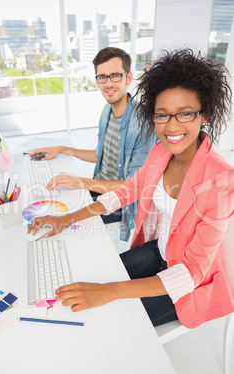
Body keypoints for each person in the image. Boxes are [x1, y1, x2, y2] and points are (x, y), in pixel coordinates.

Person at [28, 49, 234, 328]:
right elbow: (126, 192)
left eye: (185, 114)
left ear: (205, 115)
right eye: (162, 115)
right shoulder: (161, 152)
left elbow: (192, 271)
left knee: (106, 318)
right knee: (79, 294)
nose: (171, 126)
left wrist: (110, 291)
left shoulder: (223, 179)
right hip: (159, 251)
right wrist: (67, 218)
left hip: (189, 284)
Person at [30, 47, 155, 241]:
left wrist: (81, 182)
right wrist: (64, 149)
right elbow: (100, 154)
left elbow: (132, 186)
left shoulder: (143, 124)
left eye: (115, 76)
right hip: (97, 188)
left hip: (119, 203)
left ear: (128, 78)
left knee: (62, 232)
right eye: (102, 77)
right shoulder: (107, 111)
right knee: (48, 203)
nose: (108, 83)